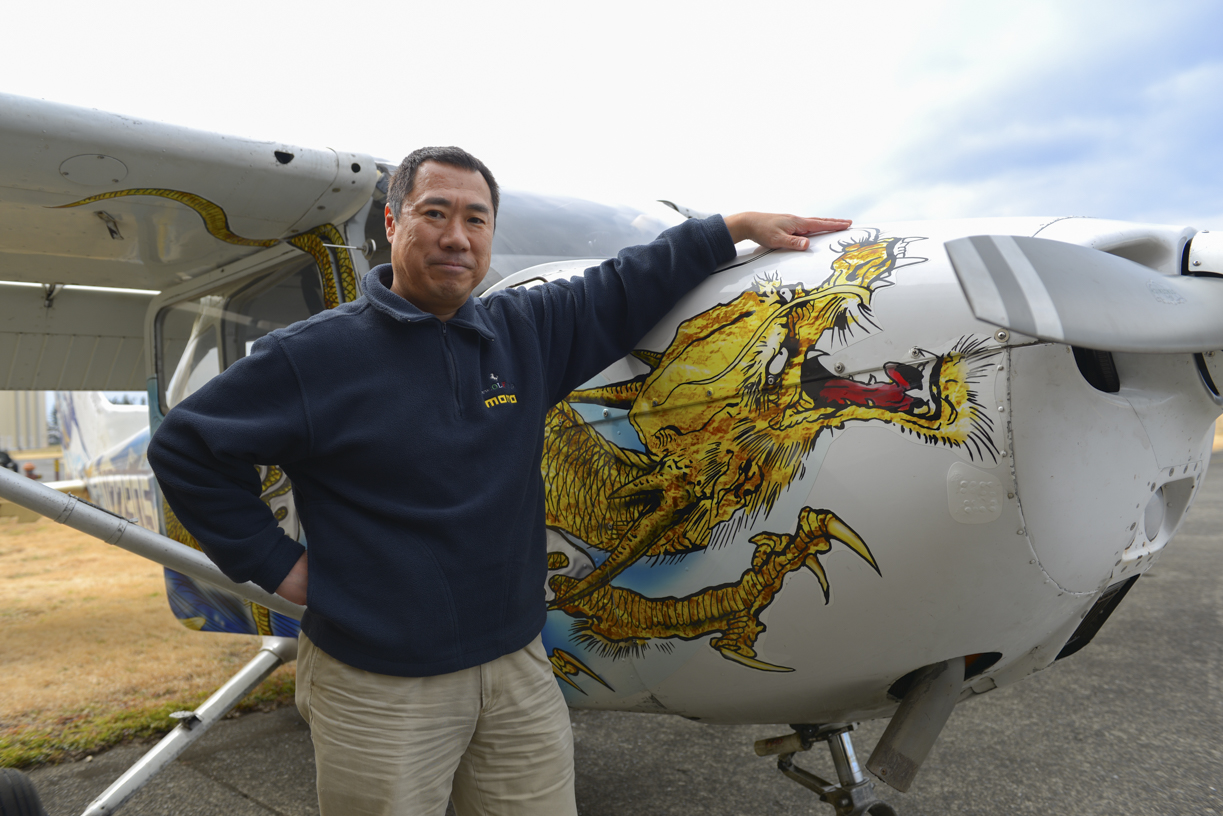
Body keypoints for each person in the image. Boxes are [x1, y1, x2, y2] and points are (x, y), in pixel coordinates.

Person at [148, 145, 851, 816]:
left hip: (516, 666)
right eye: (434, 212)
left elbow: (624, 283)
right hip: (376, 682)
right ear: (392, 223)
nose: (456, 236)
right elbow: (187, 447)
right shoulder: (316, 355)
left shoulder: (524, 331)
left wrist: (728, 229)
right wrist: (282, 569)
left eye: (475, 218)